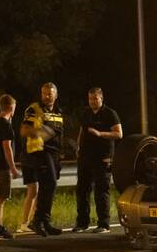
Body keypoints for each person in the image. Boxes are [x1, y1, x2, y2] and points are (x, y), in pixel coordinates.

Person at [73, 87, 122, 233]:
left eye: (95, 98)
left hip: (103, 157)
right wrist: (78, 147)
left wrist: (100, 134)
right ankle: (82, 223)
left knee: (101, 191)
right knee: (82, 190)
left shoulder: (110, 114)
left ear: (101, 98)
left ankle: (104, 224)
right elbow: (82, 131)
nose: (92, 101)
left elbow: (119, 134)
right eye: (90, 99)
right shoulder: (86, 113)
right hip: (85, 157)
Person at [20, 82, 64, 236]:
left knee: (49, 187)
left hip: (54, 155)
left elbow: (59, 135)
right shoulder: (34, 109)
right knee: (49, 184)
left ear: (56, 95)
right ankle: (37, 221)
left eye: (50, 94)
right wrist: (42, 132)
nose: (46, 96)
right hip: (40, 152)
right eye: (44, 93)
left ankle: (45, 221)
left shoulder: (59, 111)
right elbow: (24, 130)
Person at [0, 94, 20, 239]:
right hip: (2, 165)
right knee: (1, 197)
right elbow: (7, 148)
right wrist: (13, 168)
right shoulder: (6, 126)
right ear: (11, 108)